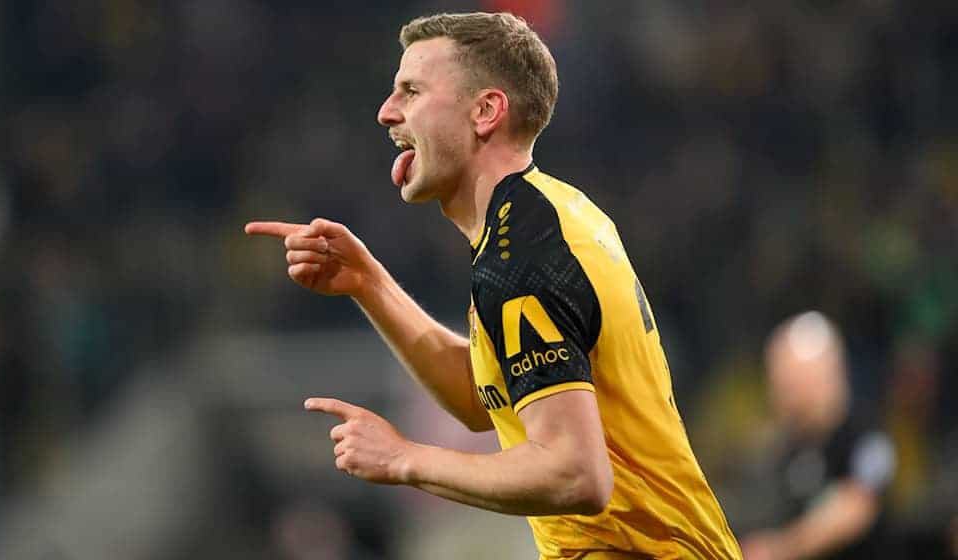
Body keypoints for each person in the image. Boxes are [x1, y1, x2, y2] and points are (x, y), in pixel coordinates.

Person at [246, 12, 740, 559]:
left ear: (485, 112)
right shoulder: (552, 213)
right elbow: (484, 403)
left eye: (411, 90)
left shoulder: (522, 257)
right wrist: (369, 285)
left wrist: (404, 459)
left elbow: (577, 475)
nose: (387, 112)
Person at [740, 311, 896, 560]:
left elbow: (856, 507)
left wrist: (780, 549)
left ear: (829, 375)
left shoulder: (865, 435)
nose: (786, 395)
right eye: (781, 382)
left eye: (795, 382)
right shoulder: (781, 449)